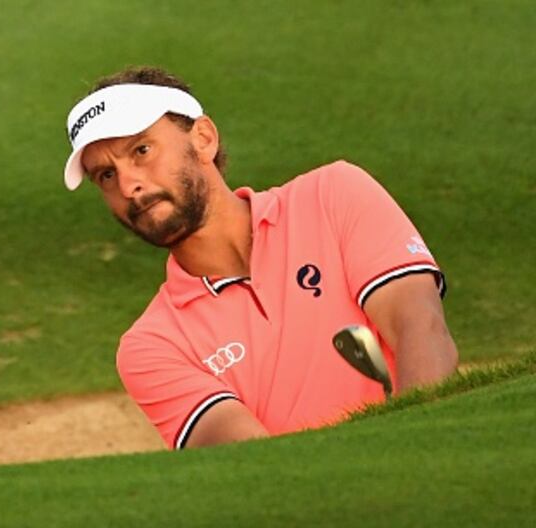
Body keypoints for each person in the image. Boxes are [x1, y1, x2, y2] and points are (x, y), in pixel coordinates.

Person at [61, 67, 458, 450]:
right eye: (106, 176)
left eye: (142, 150)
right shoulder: (151, 348)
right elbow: (257, 462)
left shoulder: (334, 195)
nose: (129, 185)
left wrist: (415, 453)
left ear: (203, 138)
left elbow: (419, 326)